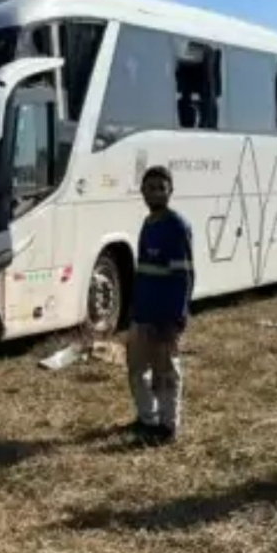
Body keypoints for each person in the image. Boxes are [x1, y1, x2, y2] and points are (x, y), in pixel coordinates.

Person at [125, 166, 195, 445]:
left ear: (170, 191)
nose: (155, 192)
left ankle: (168, 426)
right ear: (142, 192)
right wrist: (133, 310)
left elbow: (184, 277)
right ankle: (147, 418)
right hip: (142, 315)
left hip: (164, 317)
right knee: (136, 369)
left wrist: (175, 318)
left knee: (166, 372)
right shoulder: (147, 224)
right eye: (150, 187)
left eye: (160, 187)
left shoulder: (177, 226)